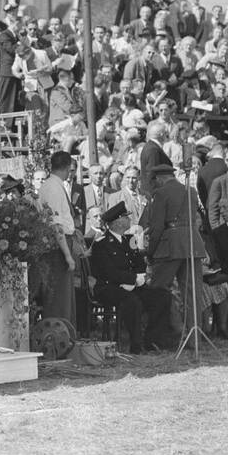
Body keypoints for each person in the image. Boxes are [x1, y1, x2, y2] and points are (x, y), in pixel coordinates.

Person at [89, 201, 173, 353]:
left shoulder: (129, 241)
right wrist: (132, 278)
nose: (129, 220)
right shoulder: (102, 244)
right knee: (132, 301)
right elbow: (108, 272)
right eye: (126, 217)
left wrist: (140, 276)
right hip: (108, 287)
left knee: (162, 296)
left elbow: (139, 263)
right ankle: (136, 344)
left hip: (131, 285)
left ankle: (152, 340)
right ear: (118, 222)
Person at [142, 161, 207, 332]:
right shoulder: (191, 191)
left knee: (158, 290)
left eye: (153, 181)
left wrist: (150, 252)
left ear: (160, 179)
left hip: (170, 246)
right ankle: (195, 335)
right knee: (192, 294)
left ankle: (164, 333)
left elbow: (156, 228)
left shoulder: (161, 194)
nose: (153, 184)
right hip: (193, 244)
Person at [35, 149, 79, 326]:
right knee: (59, 298)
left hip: (60, 244)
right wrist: (68, 256)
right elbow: (56, 225)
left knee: (63, 296)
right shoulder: (53, 187)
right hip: (56, 248)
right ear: (67, 168)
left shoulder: (54, 185)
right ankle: (57, 334)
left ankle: (64, 333)